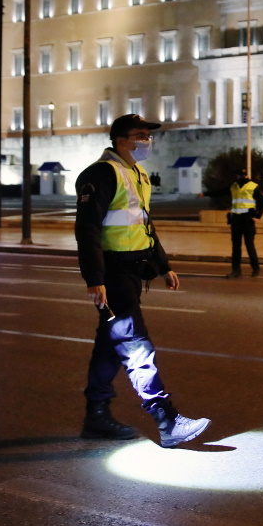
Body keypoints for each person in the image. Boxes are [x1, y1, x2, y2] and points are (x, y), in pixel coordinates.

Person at [74, 113, 210, 447]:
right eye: (140, 135)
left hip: (133, 272)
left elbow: (143, 223)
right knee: (134, 343)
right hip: (113, 273)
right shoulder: (101, 174)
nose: (147, 141)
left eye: (148, 136)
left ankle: (97, 415)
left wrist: (163, 266)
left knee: (110, 345)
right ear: (120, 138)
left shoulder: (137, 173)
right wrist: (95, 277)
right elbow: (87, 229)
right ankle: (167, 420)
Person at [226, 170, 263, 277]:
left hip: (248, 220)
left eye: (242, 175)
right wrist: (204, 194)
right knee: (236, 247)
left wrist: (258, 216)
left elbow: (262, 202)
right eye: (238, 175)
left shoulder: (253, 186)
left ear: (246, 176)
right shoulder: (234, 186)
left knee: (249, 245)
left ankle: (256, 269)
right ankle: (236, 271)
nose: (239, 177)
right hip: (236, 220)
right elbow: (220, 191)